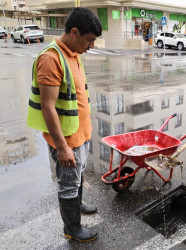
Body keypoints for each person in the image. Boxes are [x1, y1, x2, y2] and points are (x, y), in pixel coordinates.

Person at [27, 8, 102, 242]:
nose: (91, 46)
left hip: (80, 134)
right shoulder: (51, 59)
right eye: (89, 40)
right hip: (66, 140)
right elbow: (48, 107)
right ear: (74, 32)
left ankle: (77, 205)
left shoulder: (73, 53)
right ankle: (72, 227)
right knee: (68, 185)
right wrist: (61, 147)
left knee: (77, 177)